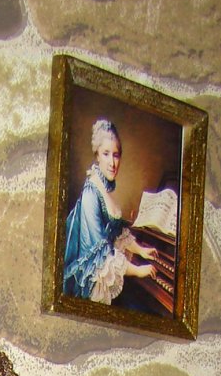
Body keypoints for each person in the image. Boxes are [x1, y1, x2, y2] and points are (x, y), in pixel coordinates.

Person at [63, 119, 157, 303]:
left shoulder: (103, 188)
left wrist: (141, 250)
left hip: (105, 265)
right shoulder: (91, 193)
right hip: (92, 281)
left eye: (116, 155)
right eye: (106, 154)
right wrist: (138, 270)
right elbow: (101, 255)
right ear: (97, 155)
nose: (112, 163)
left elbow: (117, 231)